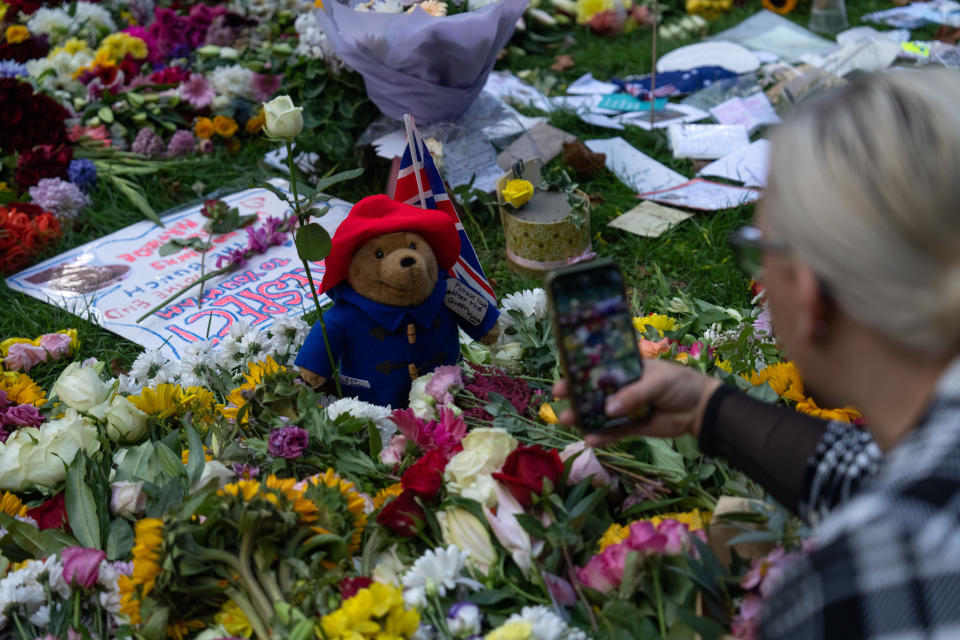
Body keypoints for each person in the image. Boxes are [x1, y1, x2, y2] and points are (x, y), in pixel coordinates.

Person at [555, 69, 960, 639]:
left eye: (759, 250)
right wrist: (707, 410)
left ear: (812, 295)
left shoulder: (851, 594)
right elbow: (889, 475)